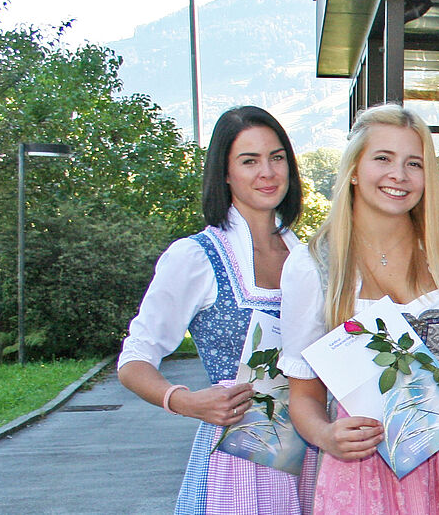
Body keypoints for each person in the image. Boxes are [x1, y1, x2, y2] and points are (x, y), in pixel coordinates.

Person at [277, 104, 439, 513]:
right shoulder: (312, 265)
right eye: (383, 159)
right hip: (366, 468)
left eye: (414, 163)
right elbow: (303, 394)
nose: (400, 175)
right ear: (354, 170)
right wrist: (326, 436)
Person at [119, 106, 316, 514]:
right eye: (249, 161)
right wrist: (183, 400)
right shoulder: (196, 257)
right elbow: (135, 358)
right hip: (244, 460)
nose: (267, 172)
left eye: (277, 157)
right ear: (224, 173)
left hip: (316, 450)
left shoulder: (313, 258)